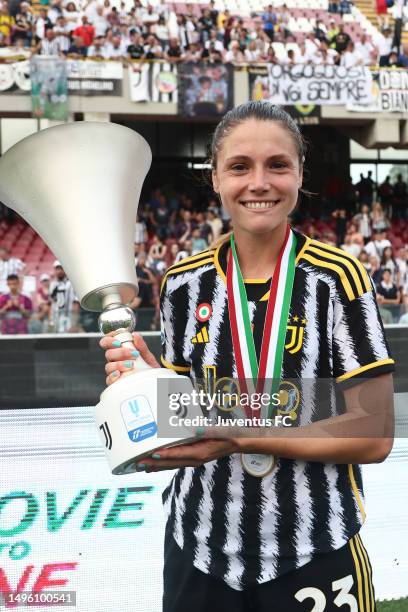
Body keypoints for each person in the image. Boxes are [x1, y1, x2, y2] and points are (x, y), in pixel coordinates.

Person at [100, 103, 395, 612]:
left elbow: (374, 431)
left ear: (300, 174)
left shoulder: (339, 278)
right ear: (215, 177)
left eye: (277, 165)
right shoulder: (182, 283)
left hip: (312, 549)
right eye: (239, 166)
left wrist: (238, 432)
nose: (259, 182)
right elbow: (187, 412)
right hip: (200, 550)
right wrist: (150, 390)